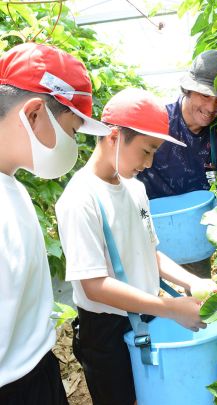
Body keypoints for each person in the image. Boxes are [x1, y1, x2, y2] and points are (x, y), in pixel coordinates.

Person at [55, 87, 217, 405]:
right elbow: (93, 286)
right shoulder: (80, 199)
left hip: (146, 312)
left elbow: (148, 251)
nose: (150, 162)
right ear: (114, 136)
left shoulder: (135, 188)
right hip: (106, 331)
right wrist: (170, 309)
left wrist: (191, 281)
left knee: (154, 394)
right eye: (146, 151)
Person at [0, 42, 111, 404]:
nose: (74, 144)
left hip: (36, 374)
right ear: (33, 114)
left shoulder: (13, 188)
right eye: (73, 129)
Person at [137, 50, 217, 278]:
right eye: (205, 96)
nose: (212, 108)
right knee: (147, 302)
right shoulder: (159, 122)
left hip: (192, 237)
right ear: (188, 90)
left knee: (199, 296)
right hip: (151, 233)